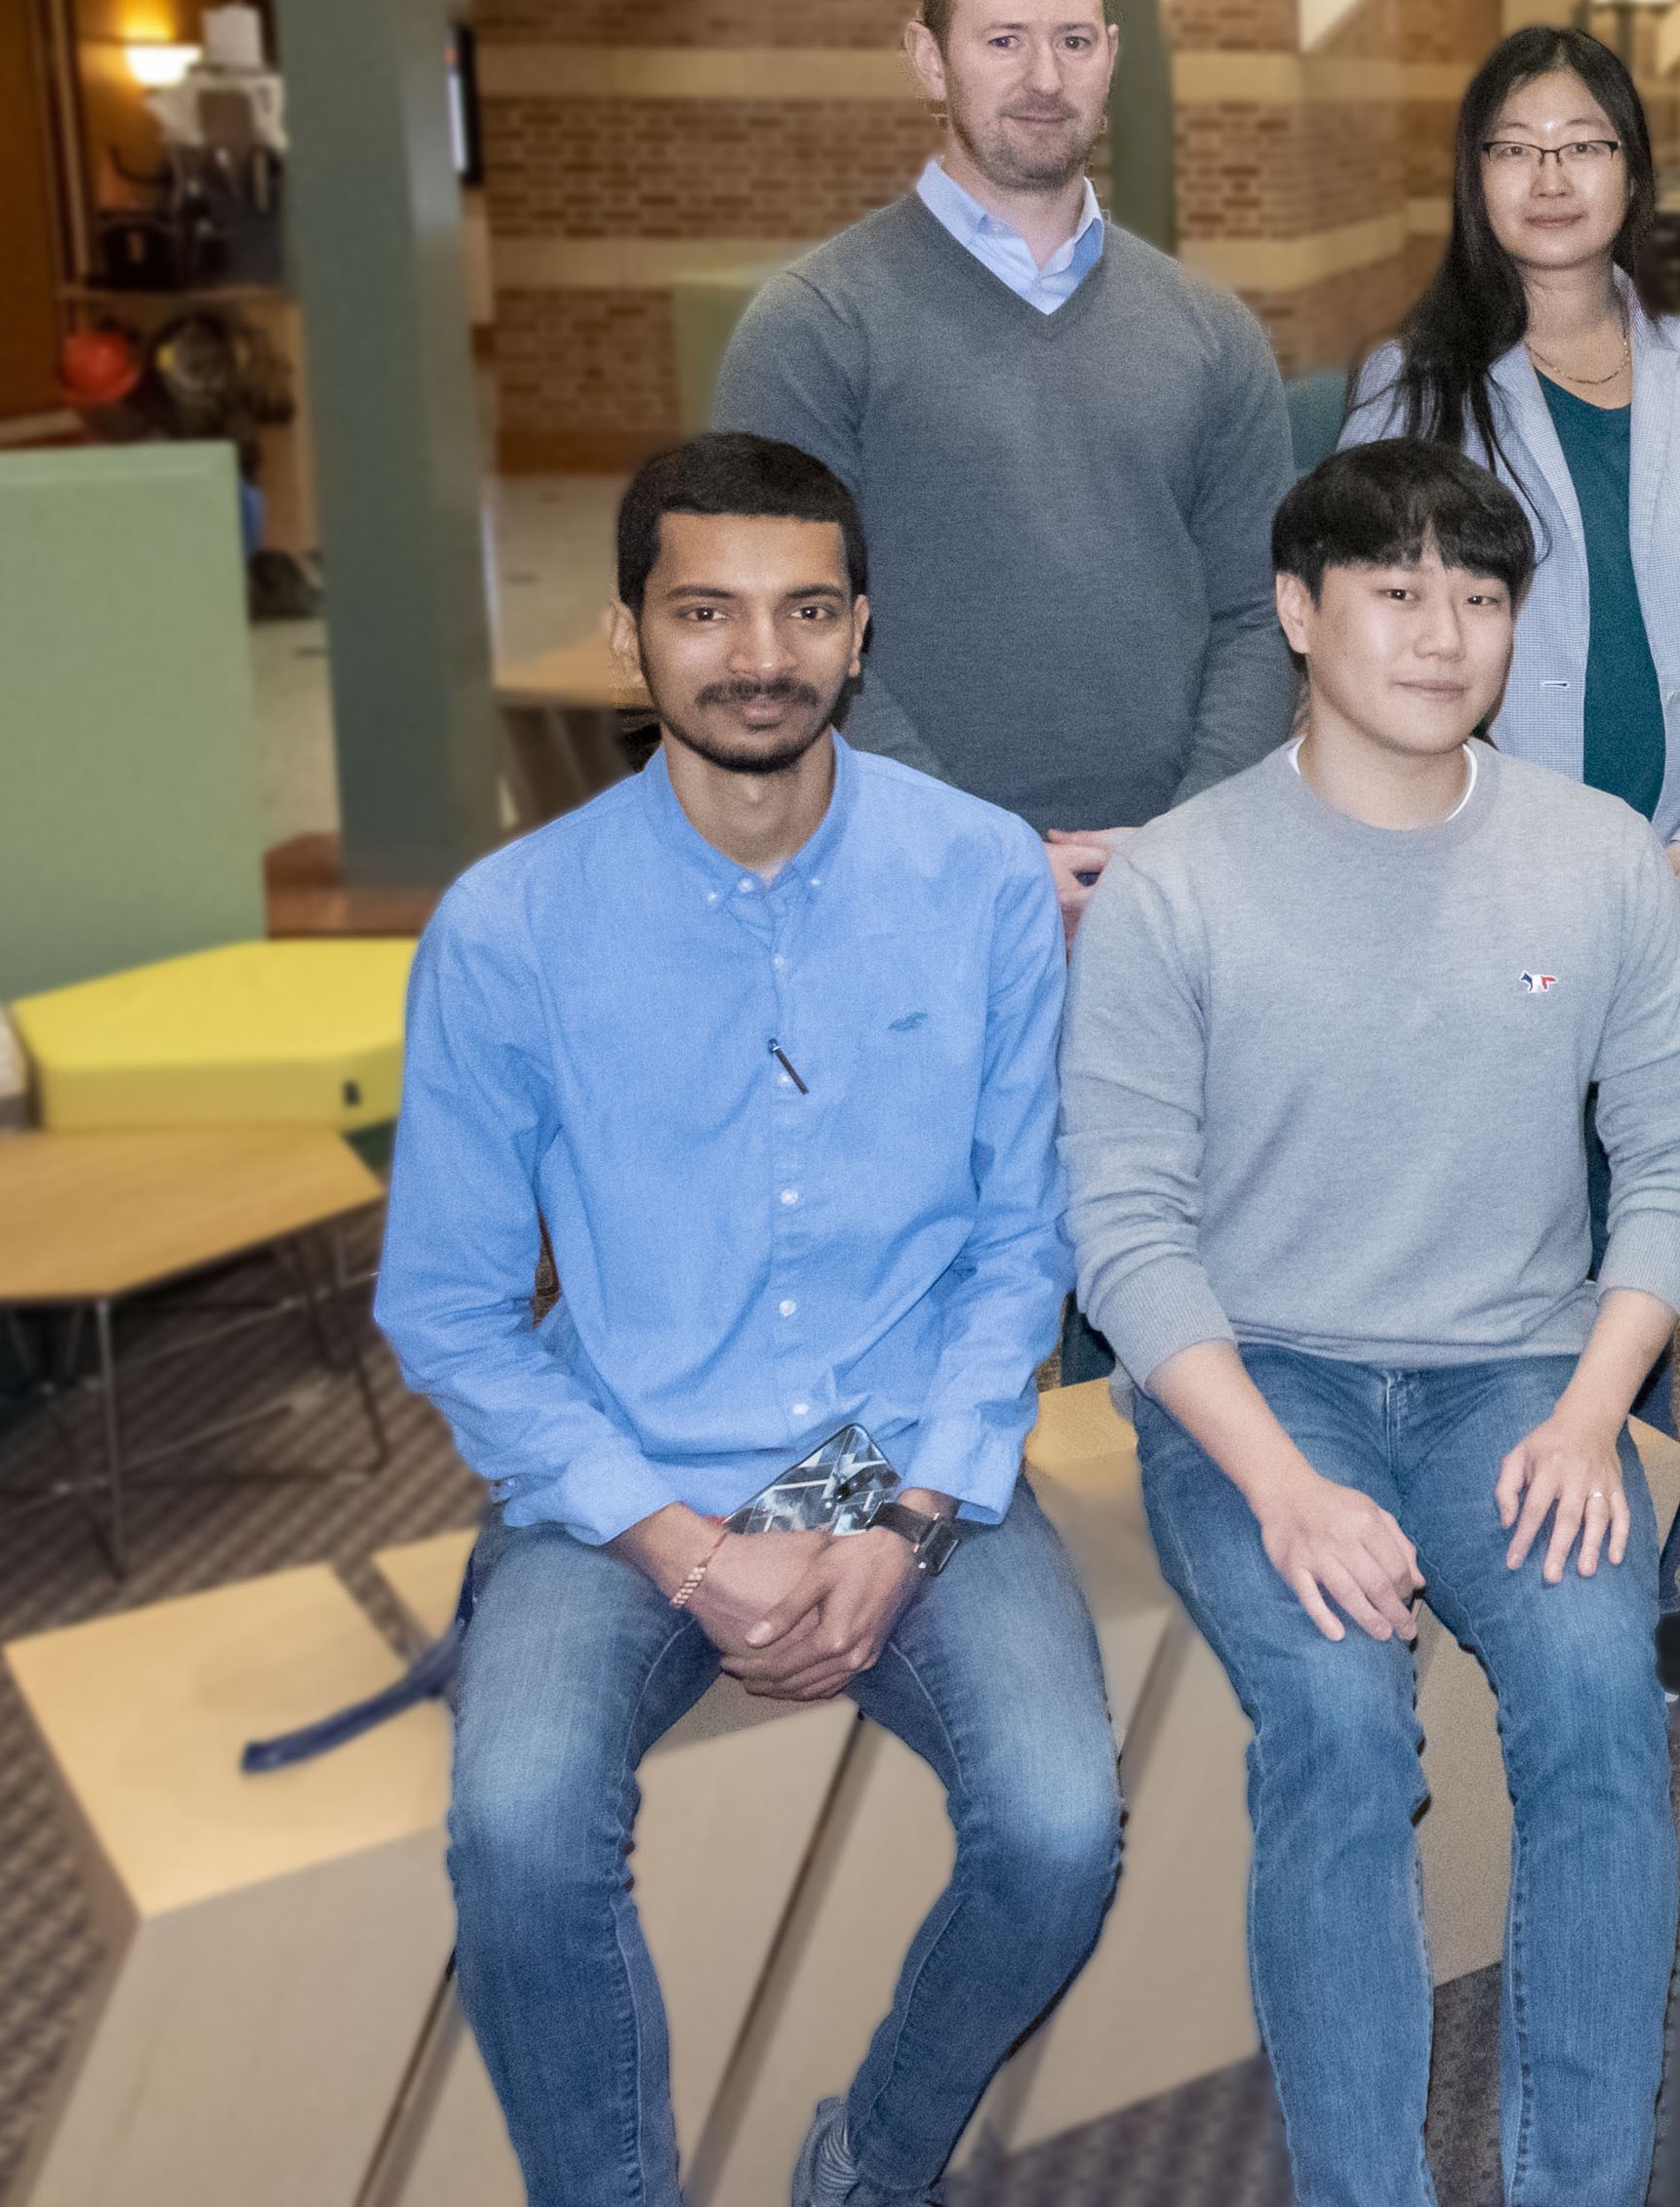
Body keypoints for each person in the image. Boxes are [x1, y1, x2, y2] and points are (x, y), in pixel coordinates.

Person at [376, 435, 1119, 2207]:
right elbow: (451, 1308)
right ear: (629, 637)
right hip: (625, 1461)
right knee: (517, 1826)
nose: (756, 654)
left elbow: (1024, 1238)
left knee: (1063, 1828)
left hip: (895, 1441)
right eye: (704, 611)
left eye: (801, 611)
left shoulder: (982, 875)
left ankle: (871, 2163)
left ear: (861, 633)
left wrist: (915, 1511)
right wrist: (682, 1546)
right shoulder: (511, 927)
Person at [1060, 440, 1680, 2207]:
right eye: (1397, 589)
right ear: (1299, 609)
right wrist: (1278, 1484)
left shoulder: (1596, 864)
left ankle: (1574, 2181)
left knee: (1597, 1704)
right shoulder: (1180, 882)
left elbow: (1670, 1170)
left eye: (1481, 597)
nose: (1443, 633)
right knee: (1340, 1719)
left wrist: (1591, 1414)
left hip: (1517, 1374)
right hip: (1261, 1384)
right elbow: (1120, 1226)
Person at [718, 0, 1295, 935]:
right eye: (1002, 41)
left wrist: (1177, 848)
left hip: (1169, 890)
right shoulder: (814, 328)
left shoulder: (1212, 334)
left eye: (1073, 41)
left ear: (1111, 56)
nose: (1044, 78)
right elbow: (787, 631)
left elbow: (1258, 614)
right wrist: (986, 862)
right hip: (899, 891)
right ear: (929, 59)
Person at [1350, 24, 1680, 948]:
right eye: (1515, 148)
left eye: (1583, 146)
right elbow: (1361, 643)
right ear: (1474, 179)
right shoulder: (1414, 388)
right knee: (1528, 1089)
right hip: (1487, 889)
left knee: (1678, 1097)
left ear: (1631, 170)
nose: (1550, 179)